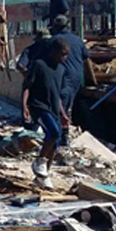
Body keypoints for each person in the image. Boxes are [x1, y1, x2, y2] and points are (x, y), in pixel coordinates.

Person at [22, 38, 71, 189]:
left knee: (55, 145)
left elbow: (57, 95)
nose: (64, 58)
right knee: (54, 132)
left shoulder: (61, 70)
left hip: (54, 109)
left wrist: (63, 114)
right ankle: (39, 161)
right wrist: (24, 106)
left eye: (66, 55)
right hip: (39, 107)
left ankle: (43, 176)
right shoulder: (39, 65)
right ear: (54, 52)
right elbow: (27, 86)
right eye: (62, 54)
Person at [48, 14, 97, 133]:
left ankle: (62, 136)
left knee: (61, 107)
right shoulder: (77, 40)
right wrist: (92, 80)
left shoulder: (53, 41)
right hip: (77, 77)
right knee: (69, 105)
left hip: (63, 78)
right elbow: (87, 60)